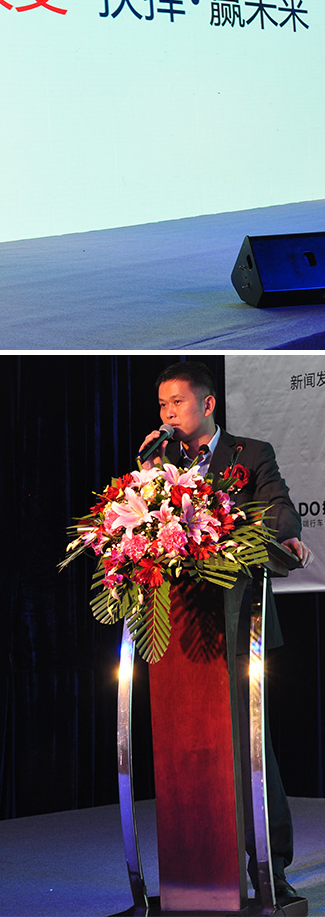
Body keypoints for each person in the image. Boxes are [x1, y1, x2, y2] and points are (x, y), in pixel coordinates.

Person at [140, 359, 313, 902]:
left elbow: (281, 513)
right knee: (188, 753)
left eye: (177, 402)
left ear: (208, 403)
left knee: (249, 749)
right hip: (179, 636)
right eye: (162, 405)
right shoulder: (160, 460)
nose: (168, 414)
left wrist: (237, 528)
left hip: (240, 625)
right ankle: (198, 871)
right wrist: (147, 474)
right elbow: (141, 523)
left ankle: (269, 869)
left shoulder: (251, 454)